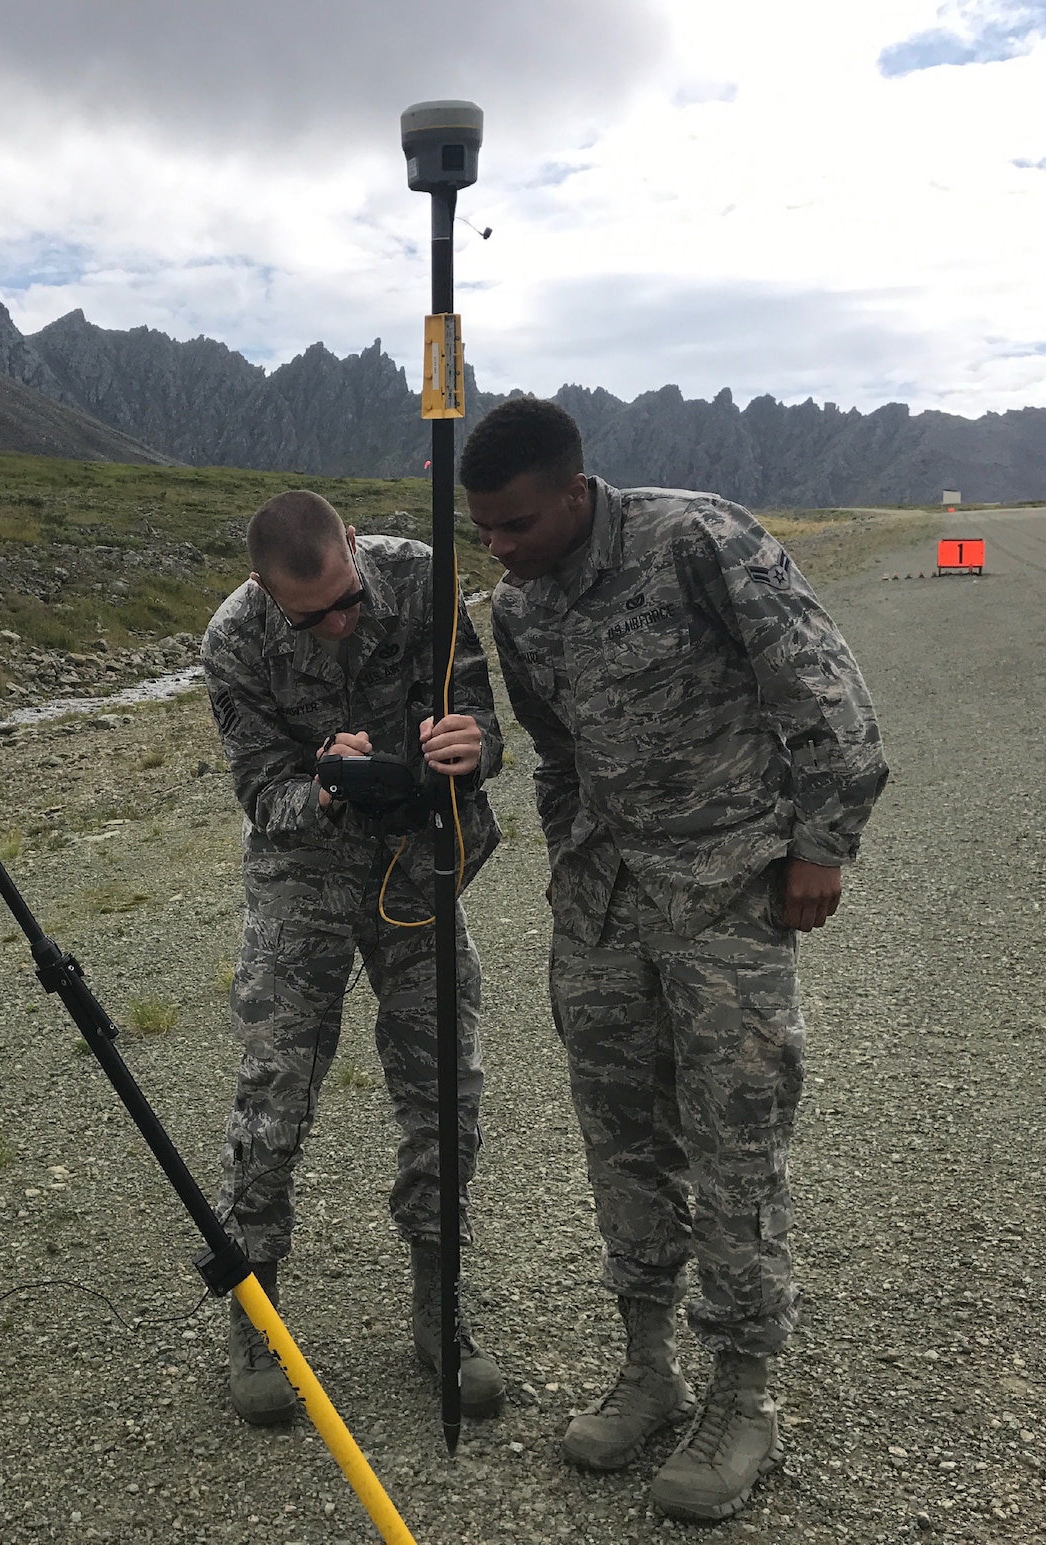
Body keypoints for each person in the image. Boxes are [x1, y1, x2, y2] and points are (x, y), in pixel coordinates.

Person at [462, 398, 888, 1521]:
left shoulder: (697, 537)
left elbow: (822, 691)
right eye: (481, 532)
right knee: (620, 1136)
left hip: (727, 886)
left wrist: (819, 846)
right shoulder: (517, 608)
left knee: (734, 1138)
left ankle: (740, 1393)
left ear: (571, 491)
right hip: (602, 903)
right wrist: (568, 874)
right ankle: (648, 1366)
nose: (496, 550)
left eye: (512, 524)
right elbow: (554, 756)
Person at [201, 489, 506, 1426]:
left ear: (356, 550)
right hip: (307, 880)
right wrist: (323, 787)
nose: (337, 623)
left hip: (418, 867)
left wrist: (472, 746)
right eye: (312, 615)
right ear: (264, 589)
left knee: (444, 1083)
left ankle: (437, 1302)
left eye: (346, 600)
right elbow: (260, 790)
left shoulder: (423, 580)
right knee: (274, 1087)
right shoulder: (234, 641)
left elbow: (484, 721)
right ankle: (256, 1314)